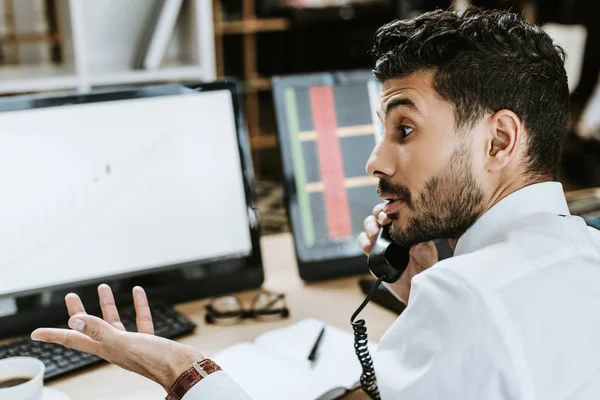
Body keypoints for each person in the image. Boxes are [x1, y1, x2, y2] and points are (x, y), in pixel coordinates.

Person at [31, 6, 600, 400]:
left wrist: (180, 368)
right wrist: (421, 304)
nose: (375, 161)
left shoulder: (466, 298)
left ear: (499, 140)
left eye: (405, 129)